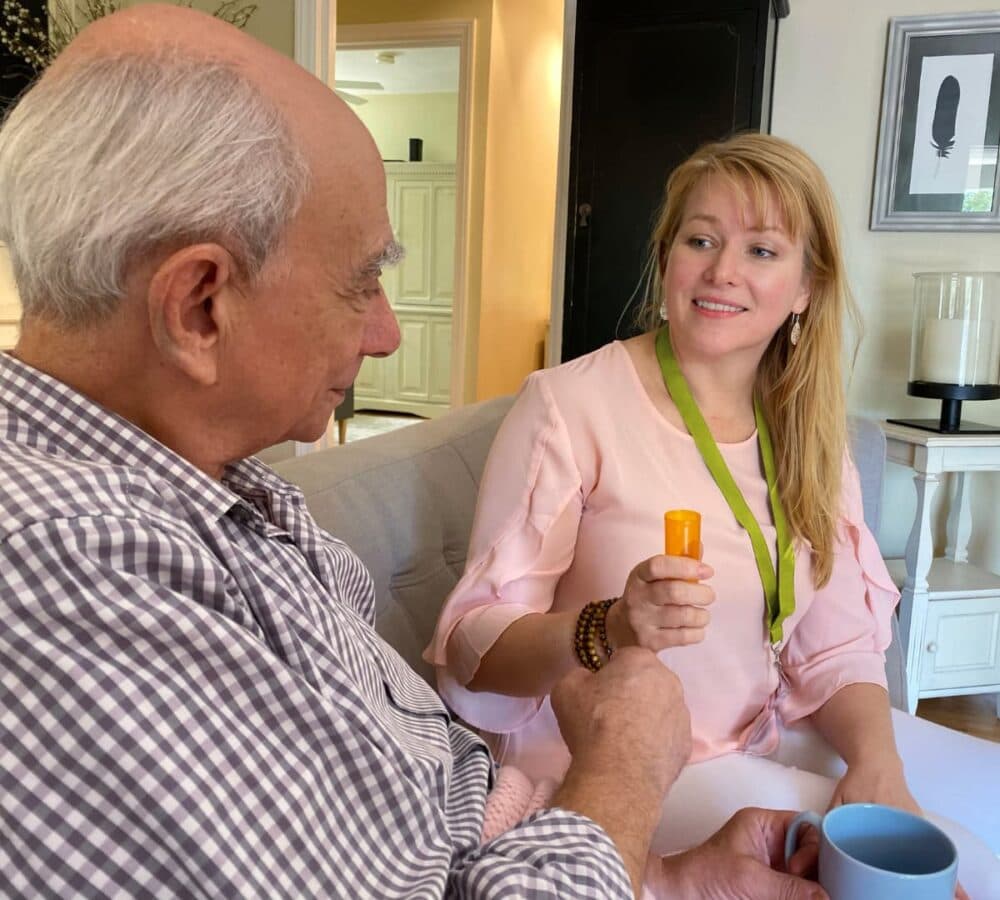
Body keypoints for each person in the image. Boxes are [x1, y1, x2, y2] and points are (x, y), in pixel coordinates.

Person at [0, 7, 834, 898]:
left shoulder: (225, 495)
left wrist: (672, 877)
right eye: (364, 279)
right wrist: (626, 767)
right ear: (202, 306)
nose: (391, 334)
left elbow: (421, 832)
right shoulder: (68, 573)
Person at [426, 134, 1000, 898]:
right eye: (701, 240)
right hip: (615, 764)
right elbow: (474, 643)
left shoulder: (807, 432)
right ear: (668, 260)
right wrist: (608, 628)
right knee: (949, 859)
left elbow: (837, 644)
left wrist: (877, 762)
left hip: (766, 728)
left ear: (806, 288)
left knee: (988, 798)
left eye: (762, 251)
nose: (722, 270)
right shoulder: (570, 406)